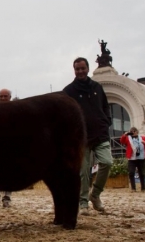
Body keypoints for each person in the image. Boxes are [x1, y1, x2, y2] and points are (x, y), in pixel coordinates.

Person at [63, 57, 112, 215]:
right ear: (74, 70)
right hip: (81, 138)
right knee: (83, 172)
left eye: (82, 68)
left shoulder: (97, 87)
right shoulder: (69, 91)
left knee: (107, 162)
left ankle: (95, 195)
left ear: (88, 68)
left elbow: (105, 106)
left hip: (100, 134)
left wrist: (106, 122)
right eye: (77, 69)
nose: (80, 71)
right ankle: (83, 203)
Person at [119, 127, 145, 192]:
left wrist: (144, 142)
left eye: (134, 131)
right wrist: (125, 135)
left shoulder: (142, 138)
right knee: (131, 173)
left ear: (137, 131)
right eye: (131, 131)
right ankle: (133, 188)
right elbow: (121, 141)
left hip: (141, 158)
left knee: (141, 173)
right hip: (132, 158)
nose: (133, 132)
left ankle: (143, 188)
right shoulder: (128, 138)